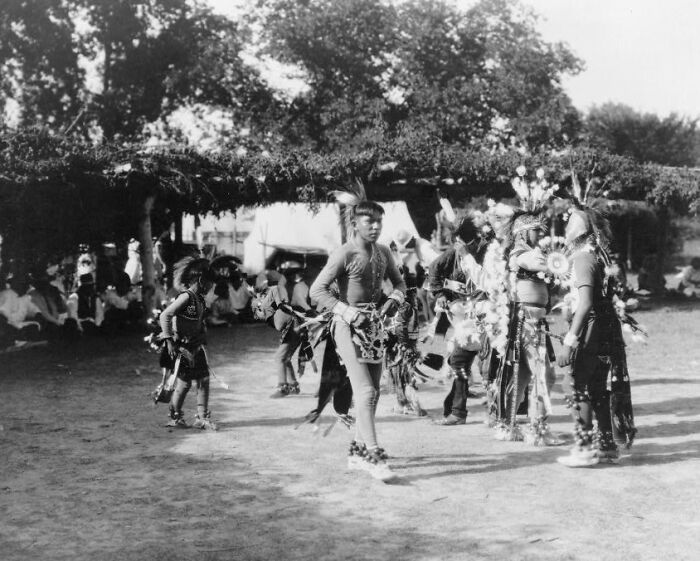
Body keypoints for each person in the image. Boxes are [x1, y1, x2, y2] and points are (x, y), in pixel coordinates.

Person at [310, 197, 406, 482]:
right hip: (347, 327)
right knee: (365, 392)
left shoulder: (384, 252)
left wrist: (394, 299)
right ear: (355, 224)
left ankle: (357, 450)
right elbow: (317, 291)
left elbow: (400, 283)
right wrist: (350, 313)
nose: (376, 227)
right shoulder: (344, 254)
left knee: (373, 392)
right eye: (369, 222)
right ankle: (374, 455)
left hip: (375, 327)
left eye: (379, 222)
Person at [556, 203, 637, 467]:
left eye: (569, 224)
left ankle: (584, 449)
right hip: (605, 328)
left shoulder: (582, 259)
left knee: (575, 385)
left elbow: (586, 303)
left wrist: (570, 340)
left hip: (590, 329)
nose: (565, 228)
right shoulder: (598, 256)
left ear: (578, 232)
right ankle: (606, 447)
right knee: (598, 388)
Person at [491, 210, 560, 445]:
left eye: (542, 229)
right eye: (536, 230)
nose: (541, 233)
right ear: (523, 232)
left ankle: (507, 425)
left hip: (533, 320)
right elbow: (540, 263)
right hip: (527, 321)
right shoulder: (521, 253)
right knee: (545, 374)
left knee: (523, 375)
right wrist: (559, 262)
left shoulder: (530, 252)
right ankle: (537, 428)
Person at [428, 215, 490, 426]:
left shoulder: (486, 252)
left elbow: (485, 281)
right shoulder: (453, 254)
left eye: (460, 243)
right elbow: (434, 270)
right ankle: (456, 410)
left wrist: (467, 255)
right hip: (462, 316)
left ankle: (501, 410)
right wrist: (441, 294)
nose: (457, 246)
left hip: (487, 315)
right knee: (459, 361)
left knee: (486, 364)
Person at [158, 257, 218, 430]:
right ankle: (175, 417)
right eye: (209, 283)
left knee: (203, 379)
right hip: (182, 348)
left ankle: (202, 418)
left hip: (195, 346)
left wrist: (202, 337)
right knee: (184, 383)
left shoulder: (198, 299)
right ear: (201, 280)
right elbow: (165, 315)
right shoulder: (186, 297)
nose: (210, 287)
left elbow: (197, 322)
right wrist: (169, 340)